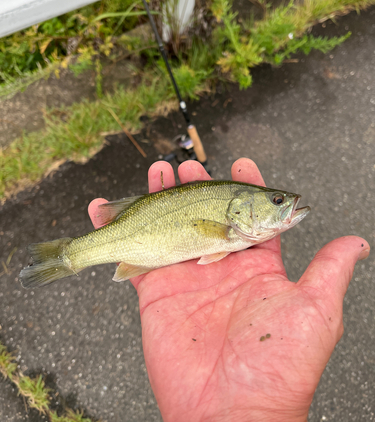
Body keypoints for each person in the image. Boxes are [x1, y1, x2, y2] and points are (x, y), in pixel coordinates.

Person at [88, 157, 370, 422]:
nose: (285, 203)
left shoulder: (235, 228)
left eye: (278, 200)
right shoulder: (230, 229)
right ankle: (71, 255)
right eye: (277, 200)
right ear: (238, 209)